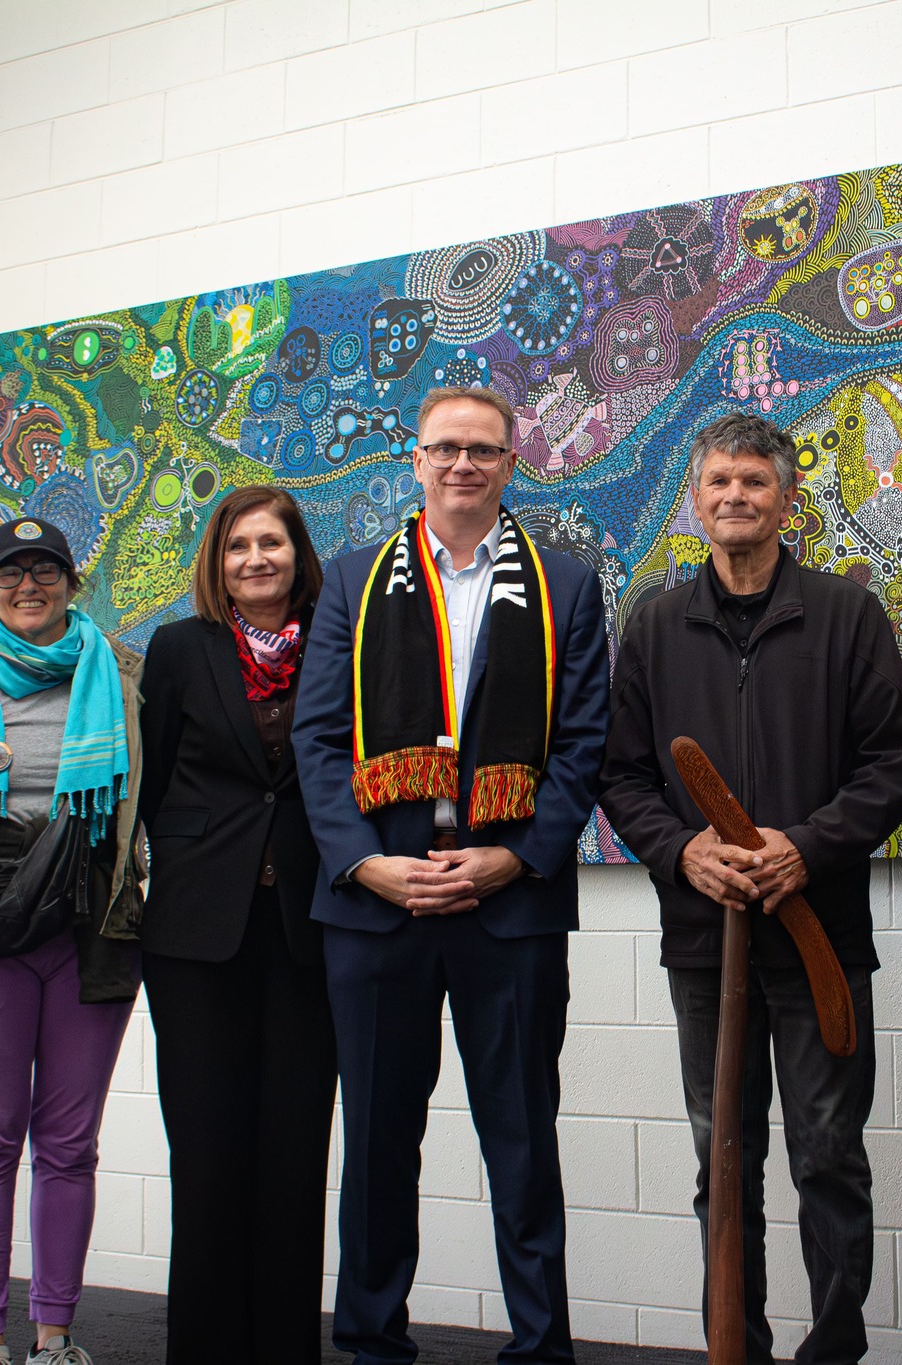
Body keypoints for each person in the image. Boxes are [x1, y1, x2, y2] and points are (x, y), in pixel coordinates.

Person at [293, 385, 609, 1365]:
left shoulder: (565, 584)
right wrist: (366, 865)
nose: (463, 464)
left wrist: (515, 856)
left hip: (506, 912)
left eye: (483, 449)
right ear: (415, 461)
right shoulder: (352, 579)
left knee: (520, 1143)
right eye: (445, 448)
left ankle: (539, 1346)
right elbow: (316, 740)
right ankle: (371, 1340)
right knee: (378, 1143)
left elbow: (584, 741)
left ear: (511, 462)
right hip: (377, 914)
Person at [599, 411, 902, 1365]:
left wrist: (807, 847)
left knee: (828, 1157)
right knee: (723, 1160)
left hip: (820, 937)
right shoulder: (656, 624)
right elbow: (621, 776)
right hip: (705, 946)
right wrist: (684, 851)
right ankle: (731, 1348)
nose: (735, 495)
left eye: (754, 481)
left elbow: (892, 762)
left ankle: (834, 1351)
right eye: (719, 482)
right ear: (696, 501)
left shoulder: (845, 614)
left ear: (787, 498)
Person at [0, 518, 146, 1365]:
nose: (29, 585)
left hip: (90, 919)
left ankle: (55, 1337)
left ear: (72, 583)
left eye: (46, 570)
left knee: (69, 1142)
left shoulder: (118, 672)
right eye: (12, 572)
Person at [138, 486, 334, 1364]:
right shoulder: (180, 649)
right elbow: (150, 782)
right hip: (195, 935)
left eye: (271, 542)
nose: (255, 558)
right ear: (216, 562)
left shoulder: (339, 642)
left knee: (293, 1161)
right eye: (237, 546)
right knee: (209, 1160)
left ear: (298, 553)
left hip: (311, 930)